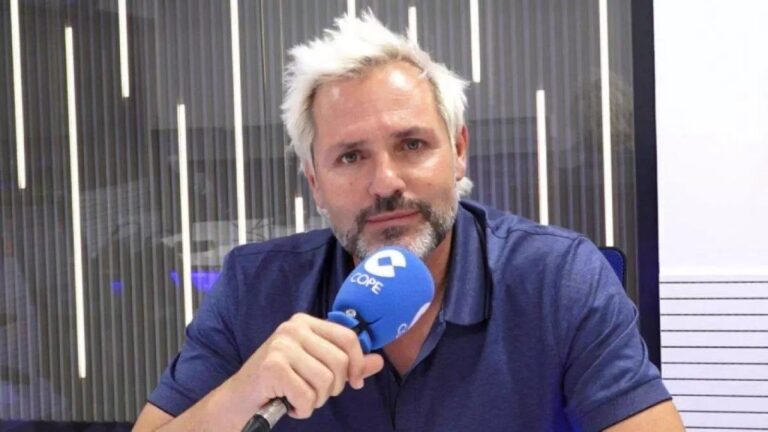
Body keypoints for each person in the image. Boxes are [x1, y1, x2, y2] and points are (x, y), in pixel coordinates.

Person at [134, 12, 684, 432]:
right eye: (351, 156)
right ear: (315, 182)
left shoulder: (559, 278)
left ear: (458, 151)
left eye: (412, 144)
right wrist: (240, 395)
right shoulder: (254, 286)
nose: (386, 182)